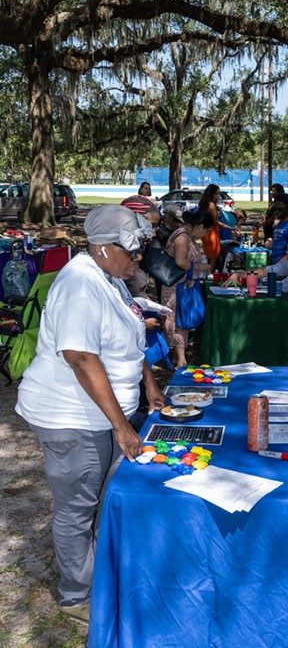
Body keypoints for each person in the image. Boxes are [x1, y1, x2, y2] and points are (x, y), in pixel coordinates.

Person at [15, 205, 166, 623]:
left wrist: (149, 383)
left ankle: (101, 574)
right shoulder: (81, 284)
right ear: (101, 247)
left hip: (100, 414)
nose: (137, 259)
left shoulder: (111, 278)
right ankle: (77, 595)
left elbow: (127, 334)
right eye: (132, 251)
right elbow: (81, 357)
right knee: (78, 505)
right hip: (73, 417)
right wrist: (122, 425)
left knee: (106, 497)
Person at [223, 234, 288, 326]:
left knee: (272, 313)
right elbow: (265, 271)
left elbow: (281, 288)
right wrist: (238, 274)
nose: (286, 252)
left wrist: (254, 287)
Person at [161, 209, 213, 368]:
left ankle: (179, 358)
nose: (205, 234)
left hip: (184, 285)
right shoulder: (182, 236)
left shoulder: (186, 235)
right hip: (177, 286)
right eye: (206, 230)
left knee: (182, 320)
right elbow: (181, 261)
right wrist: (201, 266)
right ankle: (181, 361)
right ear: (199, 225)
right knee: (178, 321)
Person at [120, 195, 161, 302]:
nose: (154, 233)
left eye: (156, 227)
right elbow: (136, 295)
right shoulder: (120, 256)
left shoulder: (137, 249)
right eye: (150, 226)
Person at [198, 184, 234, 270]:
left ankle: (206, 274)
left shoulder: (203, 203)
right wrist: (230, 228)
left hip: (206, 232)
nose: (218, 196)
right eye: (217, 193)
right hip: (211, 232)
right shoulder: (211, 205)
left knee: (208, 256)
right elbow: (216, 222)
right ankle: (209, 275)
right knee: (213, 257)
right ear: (212, 194)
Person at [269, 192, 288, 264]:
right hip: (275, 263)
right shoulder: (278, 224)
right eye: (274, 209)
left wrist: (279, 264)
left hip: (284, 265)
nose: (276, 212)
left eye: (279, 209)